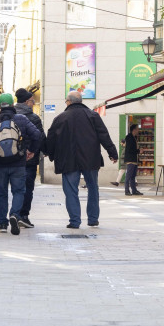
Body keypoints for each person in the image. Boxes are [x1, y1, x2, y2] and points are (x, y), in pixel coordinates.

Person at [44, 90, 118, 228]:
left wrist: (49, 153)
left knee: (71, 190)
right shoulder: (93, 115)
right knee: (93, 188)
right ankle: (93, 219)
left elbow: (51, 139)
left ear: (69, 101)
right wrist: (112, 153)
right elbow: (104, 135)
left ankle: (74, 221)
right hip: (90, 159)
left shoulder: (60, 118)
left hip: (68, 160)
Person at [0, 93, 42, 235]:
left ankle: (2, 224)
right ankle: (15, 215)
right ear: (12, 104)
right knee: (19, 191)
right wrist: (32, 151)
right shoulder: (21, 119)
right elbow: (37, 135)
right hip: (18, 163)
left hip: (1, 165)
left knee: (1, 193)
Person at [14, 88, 44, 228]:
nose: (33, 103)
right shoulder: (33, 118)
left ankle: (11, 215)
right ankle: (23, 216)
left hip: (11, 159)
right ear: (27, 102)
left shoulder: (9, 115)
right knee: (27, 189)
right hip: (29, 160)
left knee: (14, 189)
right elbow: (40, 137)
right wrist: (36, 151)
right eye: (32, 101)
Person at [123, 124, 143, 196]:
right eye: (137, 129)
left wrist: (138, 150)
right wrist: (138, 151)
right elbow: (130, 149)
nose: (138, 130)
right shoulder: (129, 137)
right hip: (130, 159)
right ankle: (126, 190)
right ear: (134, 130)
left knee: (133, 176)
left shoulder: (134, 137)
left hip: (134, 159)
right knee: (128, 176)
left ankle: (134, 190)